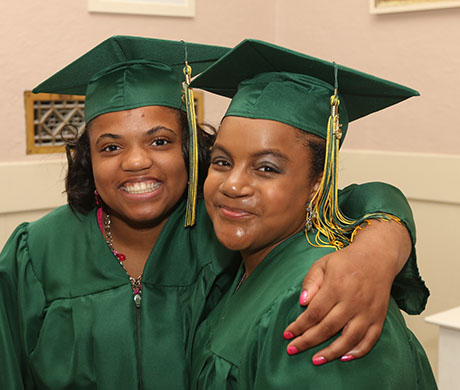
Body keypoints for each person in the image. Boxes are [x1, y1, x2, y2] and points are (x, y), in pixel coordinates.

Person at [0, 36, 427, 389]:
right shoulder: (33, 255)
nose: (135, 162)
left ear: (191, 148)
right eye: (110, 147)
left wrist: (379, 246)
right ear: (87, 158)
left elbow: (345, 203)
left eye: (161, 141)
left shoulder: (222, 229)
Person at [190, 39, 437, 388]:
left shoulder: (323, 300)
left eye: (266, 168)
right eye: (222, 161)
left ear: (318, 185)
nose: (232, 184)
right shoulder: (249, 263)